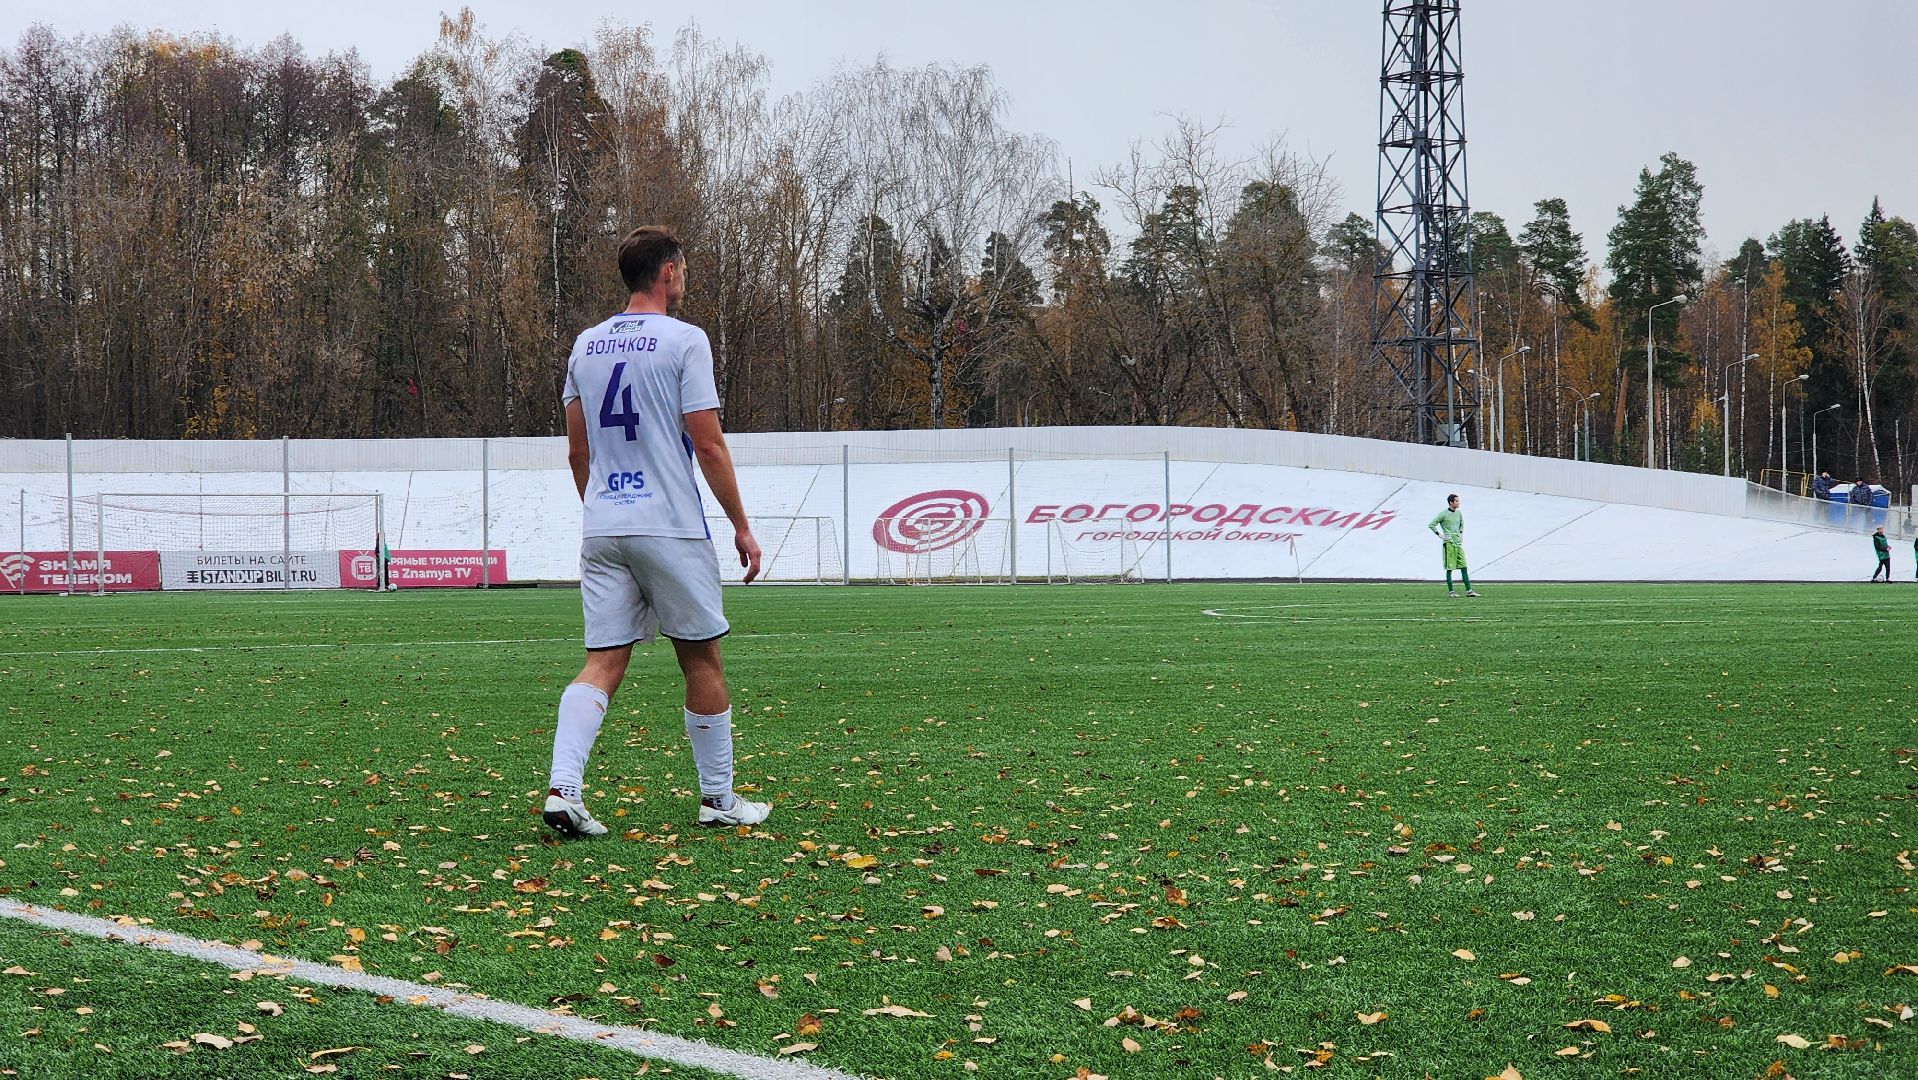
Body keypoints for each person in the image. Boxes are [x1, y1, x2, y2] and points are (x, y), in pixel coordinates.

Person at [542, 225, 770, 838]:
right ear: (667, 273)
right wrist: (742, 527)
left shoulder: (585, 346)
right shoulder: (685, 340)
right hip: (668, 523)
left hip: (604, 525)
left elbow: (576, 449)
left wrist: (602, 508)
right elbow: (707, 441)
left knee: (603, 660)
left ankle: (564, 789)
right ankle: (718, 800)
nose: (685, 277)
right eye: (684, 268)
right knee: (700, 657)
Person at [1428, 493, 1477, 597]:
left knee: (1464, 566)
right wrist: (1440, 535)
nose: (1459, 503)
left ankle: (1469, 591)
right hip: (1449, 543)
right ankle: (1451, 592)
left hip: (1458, 543)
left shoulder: (1459, 513)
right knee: (1450, 567)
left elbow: (1461, 524)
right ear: (1451, 502)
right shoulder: (1443, 514)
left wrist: (1460, 534)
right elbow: (1431, 524)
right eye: (1457, 501)